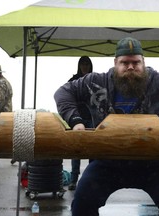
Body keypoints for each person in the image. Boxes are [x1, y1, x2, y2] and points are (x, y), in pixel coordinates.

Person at [54, 37, 159, 216]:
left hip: (153, 161)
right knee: (82, 203)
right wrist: (76, 121)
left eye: (135, 62)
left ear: (143, 62)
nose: (130, 67)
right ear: (115, 63)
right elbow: (63, 92)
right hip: (107, 161)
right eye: (124, 62)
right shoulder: (96, 82)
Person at [68, 56, 93, 191]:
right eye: (82, 64)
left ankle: (90, 179)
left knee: (91, 150)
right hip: (77, 119)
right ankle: (73, 180)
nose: (85, 66)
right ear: (79, 65)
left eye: (87, 64)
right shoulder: (73, 81)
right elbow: (67, 97)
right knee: (75, 150)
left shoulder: (95, 80)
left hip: (91, 119)